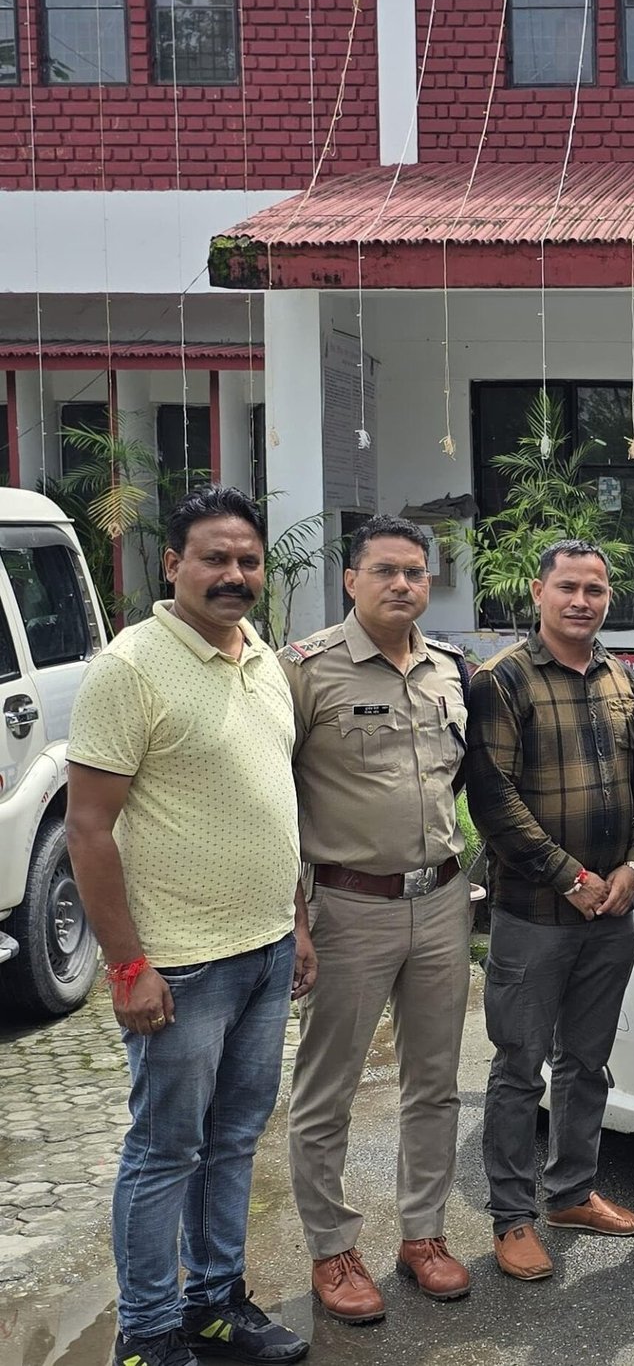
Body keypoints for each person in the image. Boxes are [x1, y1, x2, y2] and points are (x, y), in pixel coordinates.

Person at [65, 486, 315, 1366]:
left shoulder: (262, 658)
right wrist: (127, 966)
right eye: (215, 557)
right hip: (180, 964)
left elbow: (271, 800)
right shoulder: (129, 667)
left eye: (248, 560)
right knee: (165, 1149)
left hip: (265, 948)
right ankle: (145, 1331)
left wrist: (297, 921)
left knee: (235, 1139)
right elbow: (87, 829)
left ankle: (214, 1301)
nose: (234, 574)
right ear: (173, 563)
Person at [278, 514, 472, 1322]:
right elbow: (274, 798)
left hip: (443, 900)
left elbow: (455, 783)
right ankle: (332, 1246)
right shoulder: (305, 671)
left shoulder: (449, 669)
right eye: (385, 570)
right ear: (351, 579)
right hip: (349, 905)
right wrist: (295, 915)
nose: (402, 584)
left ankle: (423, 1234)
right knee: (329, 1087)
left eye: (415, 572)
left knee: (435, 1082)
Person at [465, 539, 634, 1282]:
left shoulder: (621, 677)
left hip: (610, 911)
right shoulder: (504, 679)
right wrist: (570, 875)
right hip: (534, 915)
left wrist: (633, 866)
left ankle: (572, 1191)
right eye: (568, 587)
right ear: (538, 592)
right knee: (520, 1067)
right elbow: (493, 798)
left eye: (595, 589)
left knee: (587, 1062)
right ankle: (512, 1217)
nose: (582, 601)